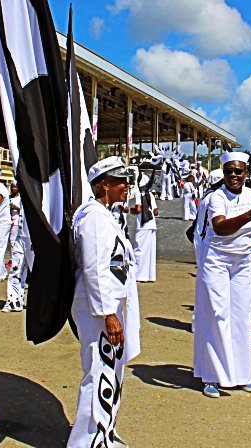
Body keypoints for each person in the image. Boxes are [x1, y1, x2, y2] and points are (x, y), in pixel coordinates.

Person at [68, 157, 139, 448]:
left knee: (111, 369)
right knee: (100, 369)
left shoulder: (105, 214)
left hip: (109, 303)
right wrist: (108, 313)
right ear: (103, 185)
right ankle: (88, 441)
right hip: (98, 306)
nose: (126, 186)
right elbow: (94, 267)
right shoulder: (94, 216)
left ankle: (104, 433)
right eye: (120, 181)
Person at [193, 151, 251, 398]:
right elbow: (220, 227)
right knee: (217, 315)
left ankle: (240, 374)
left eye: (238, 171)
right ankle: (212, 376)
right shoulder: (216, 197)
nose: (233, 176)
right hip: (215, 261)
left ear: (246, 173)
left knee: (240, 316)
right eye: (229, 171)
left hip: (242, 263)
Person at [3, 180, 29, 312]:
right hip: (20, 236)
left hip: (35, 239)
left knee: (34, 272)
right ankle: (13, 301)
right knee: (16, 268)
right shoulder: (19, 198)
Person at [131, 174, 159, 283]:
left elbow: (138, 209)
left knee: (139, 250)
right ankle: (149, 276)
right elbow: (156, 212)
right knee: (149, 251)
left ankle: (139, 275)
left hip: (143, 225)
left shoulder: (139, 193)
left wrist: (131, 211)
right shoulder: (150, 194)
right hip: (152, 225)